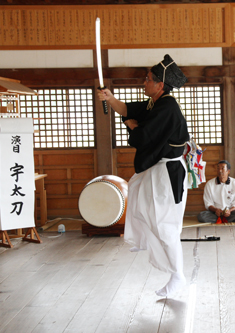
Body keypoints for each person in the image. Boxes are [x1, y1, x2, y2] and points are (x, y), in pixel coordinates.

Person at [98, 54, 189, 298]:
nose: (144, 82)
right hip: (156, 170)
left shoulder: (168, 107)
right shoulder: (155, 103)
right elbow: (129, 109)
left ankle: (177, 275)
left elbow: (143, 137)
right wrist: (110, 98)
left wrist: (132, 125)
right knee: (141, 207)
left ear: (160, 85)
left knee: (165, 224)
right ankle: (144, 240)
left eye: (148, 79)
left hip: (167, 173)